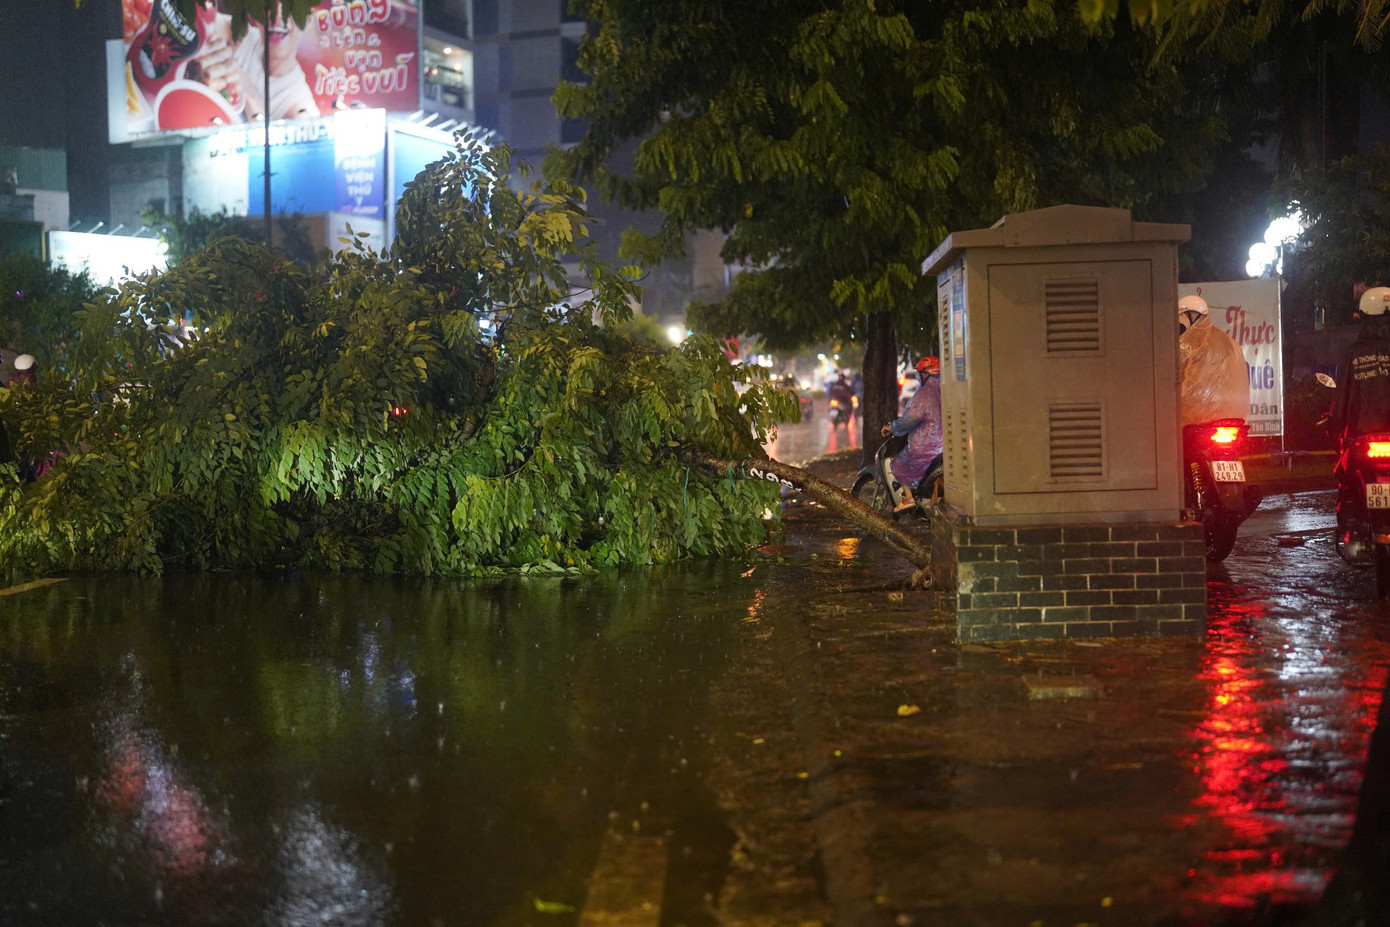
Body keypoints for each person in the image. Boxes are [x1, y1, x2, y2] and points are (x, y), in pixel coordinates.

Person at [880, 356, 943, 513]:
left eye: (919, 373)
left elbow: (910, 419)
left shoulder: (925, 393)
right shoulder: (944, 388)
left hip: (929, 443)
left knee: (899, 465)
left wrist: (892, 427)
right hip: (944, 442)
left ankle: (908, 499)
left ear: (926, 374)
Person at [1330, 286, 1390, 445]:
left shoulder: (1352, 353)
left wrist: (1335, 423)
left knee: (1344, 468)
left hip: (1361, 435)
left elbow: (1342, 396)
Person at [1178, 295, 1249, 427]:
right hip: (1235, 419)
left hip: (1198, 421)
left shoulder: (1188, 342)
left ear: (1190, 316)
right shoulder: (1229, 341)